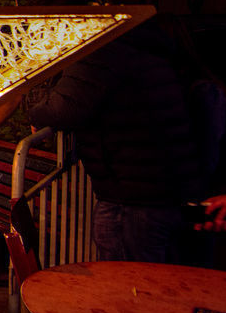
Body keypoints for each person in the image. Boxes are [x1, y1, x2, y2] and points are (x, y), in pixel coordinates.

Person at [29, 17, 202, 263]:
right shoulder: (142, 50)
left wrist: (35, 105)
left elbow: (61, 110)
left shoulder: (98, 53)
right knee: (160, 283)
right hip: (162, 191)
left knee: (128, 286)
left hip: (132, 198)